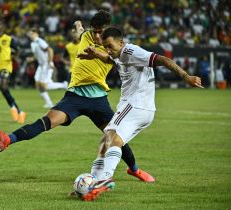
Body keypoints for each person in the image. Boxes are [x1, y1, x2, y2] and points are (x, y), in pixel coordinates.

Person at [0, 10, 149, 185]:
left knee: (115, 137)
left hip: (98, 100)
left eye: (100, 32)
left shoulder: (115, 47)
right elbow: (82, 34)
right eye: (93, 31)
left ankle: (134, 169)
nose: (96, 36)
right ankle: (7, 139)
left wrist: (98, 53)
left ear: (108, 30)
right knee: (46, 122)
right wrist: (79, 27)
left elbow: (115, 59)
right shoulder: (87, 35)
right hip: (75, 96)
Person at [77, 27, 203, 201]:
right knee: (106, 140)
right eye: (104, 46)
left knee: (112, 139)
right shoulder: (120, 54)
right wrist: (97, 54)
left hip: (134, 105)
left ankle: (104, 179)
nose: (107, 49)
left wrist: (186, 76)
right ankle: (94, 182)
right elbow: (112, 58)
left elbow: (163, 59)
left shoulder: (131, 51)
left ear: (120, 43)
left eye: (109, 45)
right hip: (142, 109)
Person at [0, 18, 26, 124]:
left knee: (3, 84)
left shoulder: (8, 39)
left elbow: (18, 50)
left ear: (3, 27)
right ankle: (17, 110)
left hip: (6, 66)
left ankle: (15, 109)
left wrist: (13, 56)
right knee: (3, 90)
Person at [26, 28, 68, 108]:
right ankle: (49, 103)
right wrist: (31, 59)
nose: (31, 35)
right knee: (38, 84)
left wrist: (50, 62)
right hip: (41, 65)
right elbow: (37, 55)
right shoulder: (33, 44)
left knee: (44, 86)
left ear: (36, 34)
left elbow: (50, 50)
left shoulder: (39, 41)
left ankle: (63, 85)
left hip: (46, 64)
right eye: (30, 34)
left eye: (32, 34)